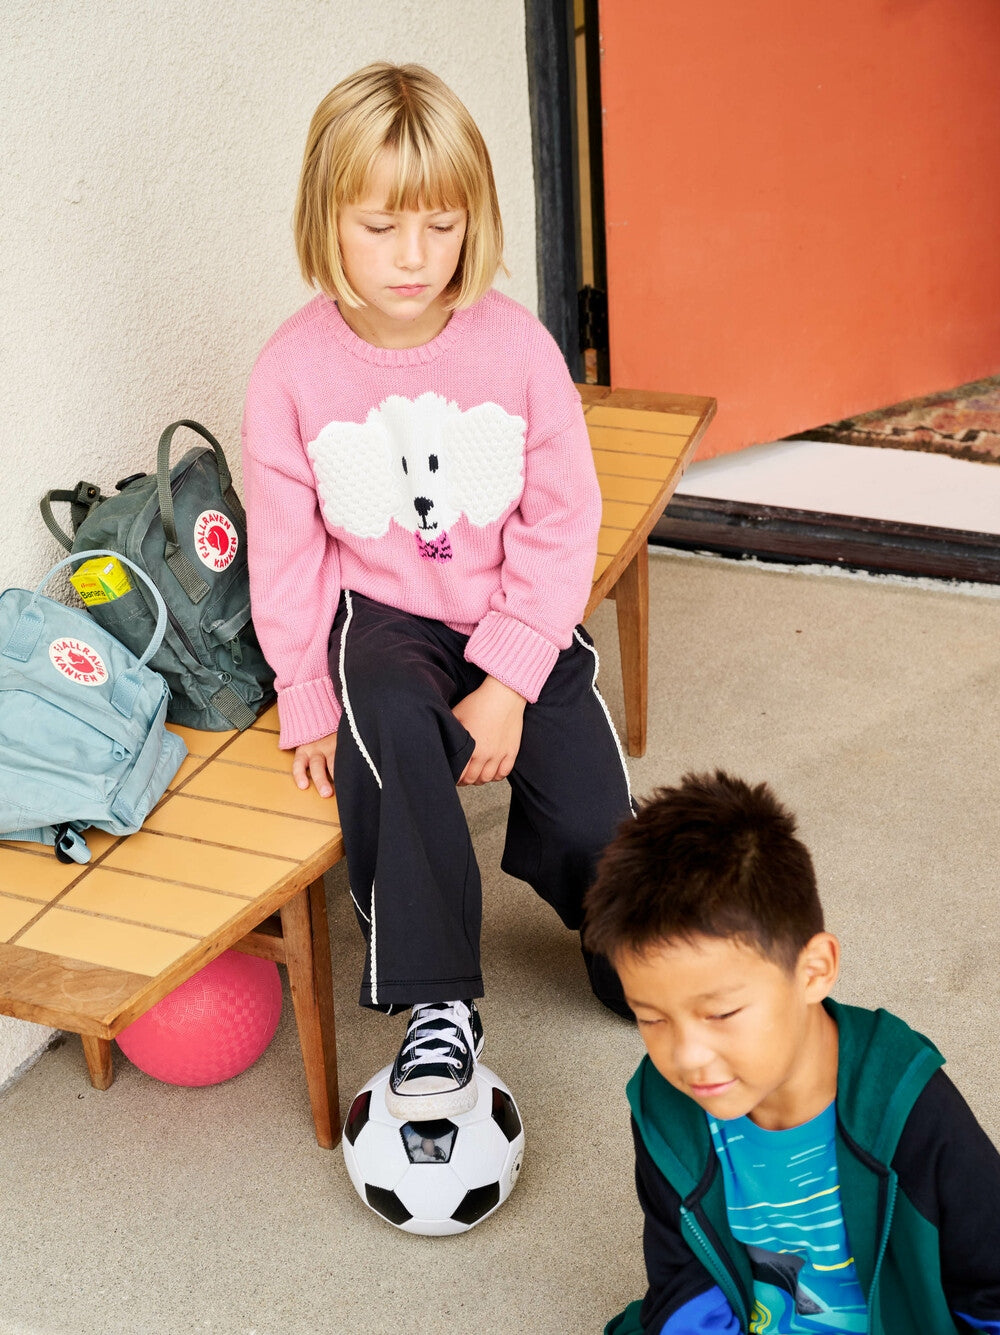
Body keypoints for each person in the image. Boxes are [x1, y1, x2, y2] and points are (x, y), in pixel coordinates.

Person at [242, 62, 633, 1124]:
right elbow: (286, 553)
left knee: (597, 811)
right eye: (377, 228)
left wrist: (509, 678)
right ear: (326, 220)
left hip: (513, 602)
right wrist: (302, 692)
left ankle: (633, 948)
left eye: (439, 225)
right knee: (390, 733)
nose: (411, 258)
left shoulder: (518, 351)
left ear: (475, 222)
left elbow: (561, 524)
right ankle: (435, 999)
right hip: (386, 616)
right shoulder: (290, 373)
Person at [582, 771, 1000, 1334]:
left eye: (721, 1014)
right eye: (650, 1018)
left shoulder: (907, 1102)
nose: (688, 1057)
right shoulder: (664, 1108)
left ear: (814, 970)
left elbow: (990, 1286)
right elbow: (682, 1278)